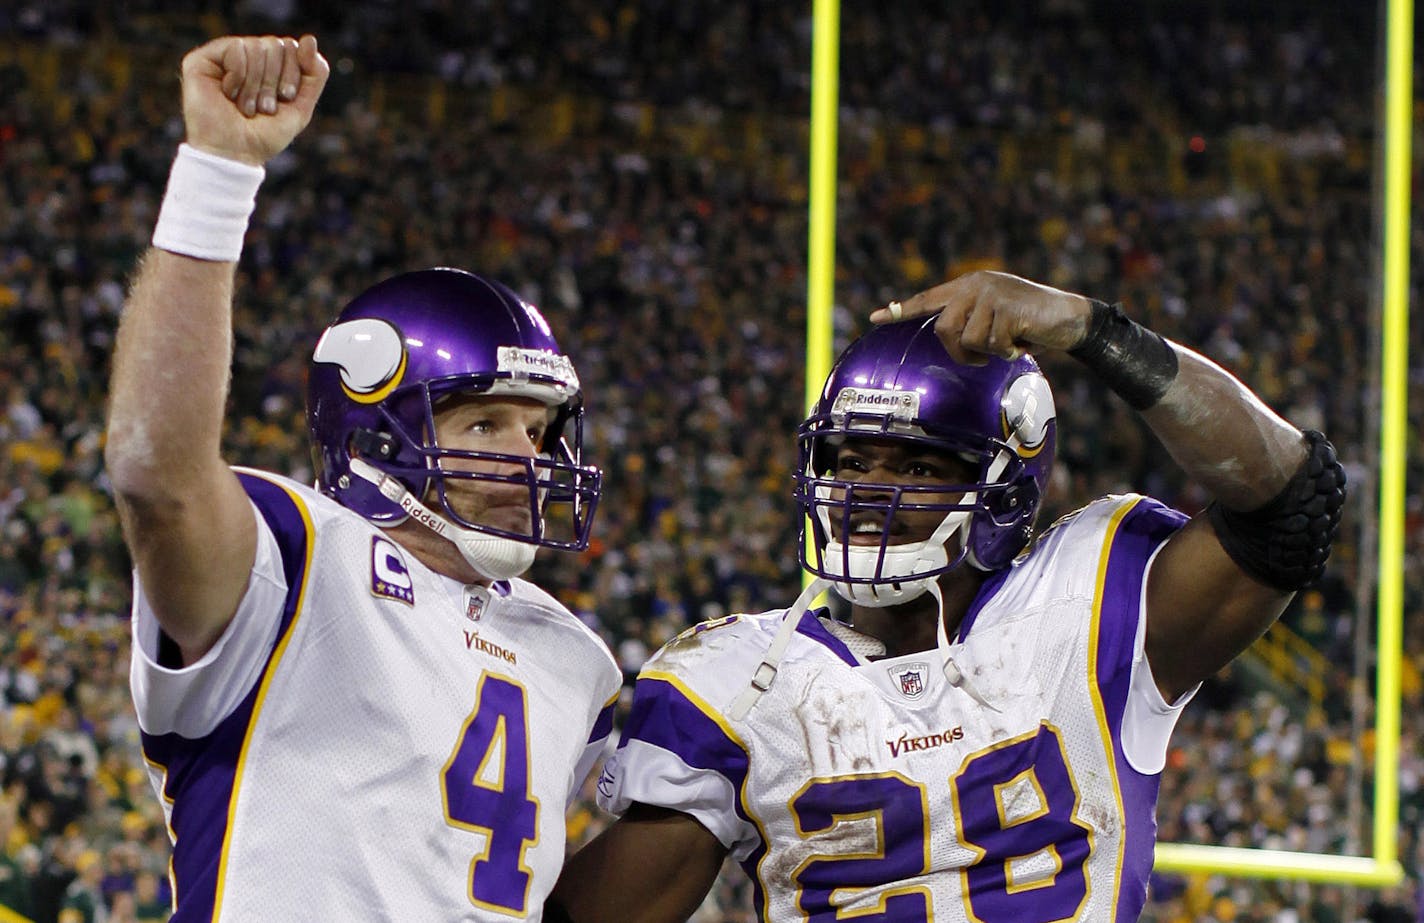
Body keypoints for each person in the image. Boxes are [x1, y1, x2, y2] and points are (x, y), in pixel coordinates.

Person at [546, 270, 1345, 922]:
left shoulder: (1090, 605)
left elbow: (1291, 503)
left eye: (918, 467)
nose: (867, 491)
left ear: (1003, 486)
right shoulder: (742, 680)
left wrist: (1090, 329)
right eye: (852, 460)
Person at [104, 35, 621, 919]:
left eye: (538, 432)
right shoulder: (297, 557)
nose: (528, 460)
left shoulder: (575, 654)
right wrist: (220, 173)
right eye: (485, 422)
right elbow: (157, 473)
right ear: (375, 430)